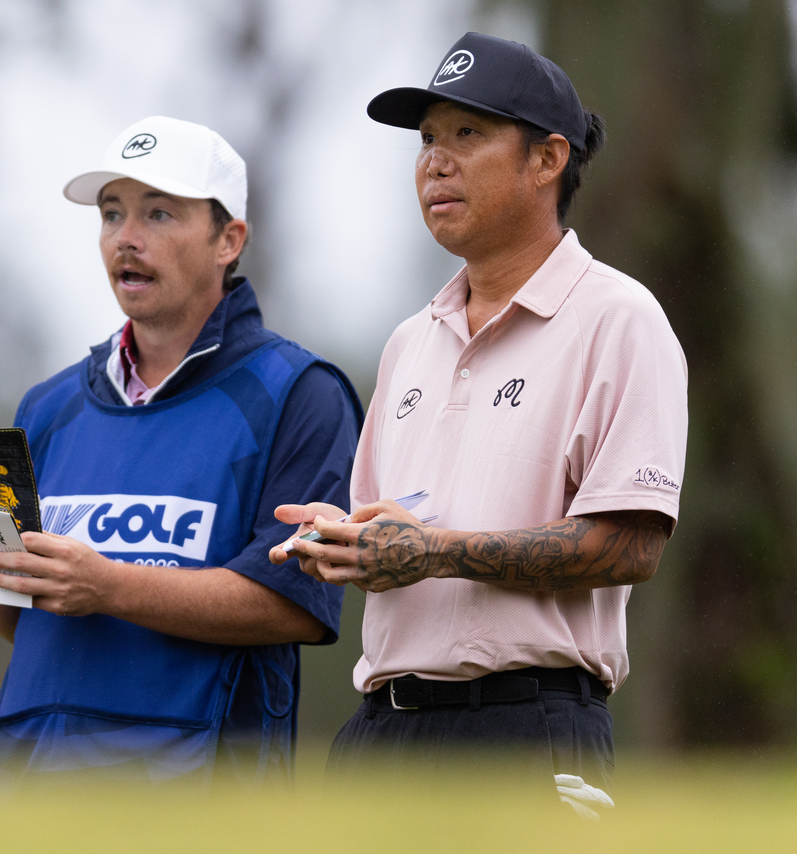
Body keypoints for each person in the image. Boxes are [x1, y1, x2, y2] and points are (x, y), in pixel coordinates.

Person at [271, 33, 687, 807]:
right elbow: (396, 533)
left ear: (547, 158)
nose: (436, 162)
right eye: (427, 139)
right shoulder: (409, 342)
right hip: (381, 734)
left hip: (528, 727)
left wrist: (431, 553)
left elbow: (630, 544)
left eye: (468, 134)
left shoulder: (619, 318)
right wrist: (347, 544)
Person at [0, 116, 363, 791]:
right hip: (20, 790)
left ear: (228, 240)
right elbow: (11, 615)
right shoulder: (44, 406)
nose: (126, 236)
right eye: (111, 213)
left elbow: (294, 603)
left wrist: (108, 586)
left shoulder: (300, 392)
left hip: (197, 797)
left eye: (158, 213)